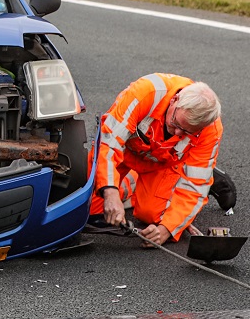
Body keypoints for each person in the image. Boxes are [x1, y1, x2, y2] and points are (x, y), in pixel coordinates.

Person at [87, 73, 227, 246]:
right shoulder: (145, 93)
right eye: (176, 124)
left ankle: (197, 176)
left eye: (187, 132)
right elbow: (108, 144)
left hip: (164, 164)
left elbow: (195, 185)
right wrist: (110, 191)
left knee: (154, 216)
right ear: (175, 100)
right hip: (123, 156)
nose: (177, 134)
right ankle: (131, 184)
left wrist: (166, 230)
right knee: (90, 209)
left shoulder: (210, 129)